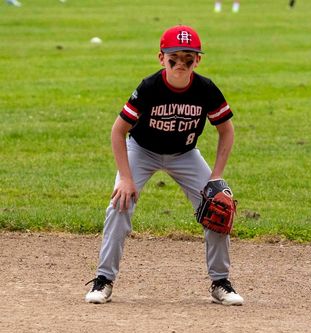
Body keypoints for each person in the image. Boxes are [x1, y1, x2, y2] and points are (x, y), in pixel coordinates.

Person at [85, 25, 244, 306]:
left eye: (188, 58)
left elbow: (227, 130)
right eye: (173, 59)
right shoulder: (150, 87)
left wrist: (216, 178)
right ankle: (103, 279)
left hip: (185, 154)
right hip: (142, 151)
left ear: (198, 60)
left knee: (218, 205)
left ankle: (221, 282)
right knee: (119, 204)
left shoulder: (206, 89)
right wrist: (125, 177)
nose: (180, 65)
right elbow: (118, 131)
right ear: (161, 58)